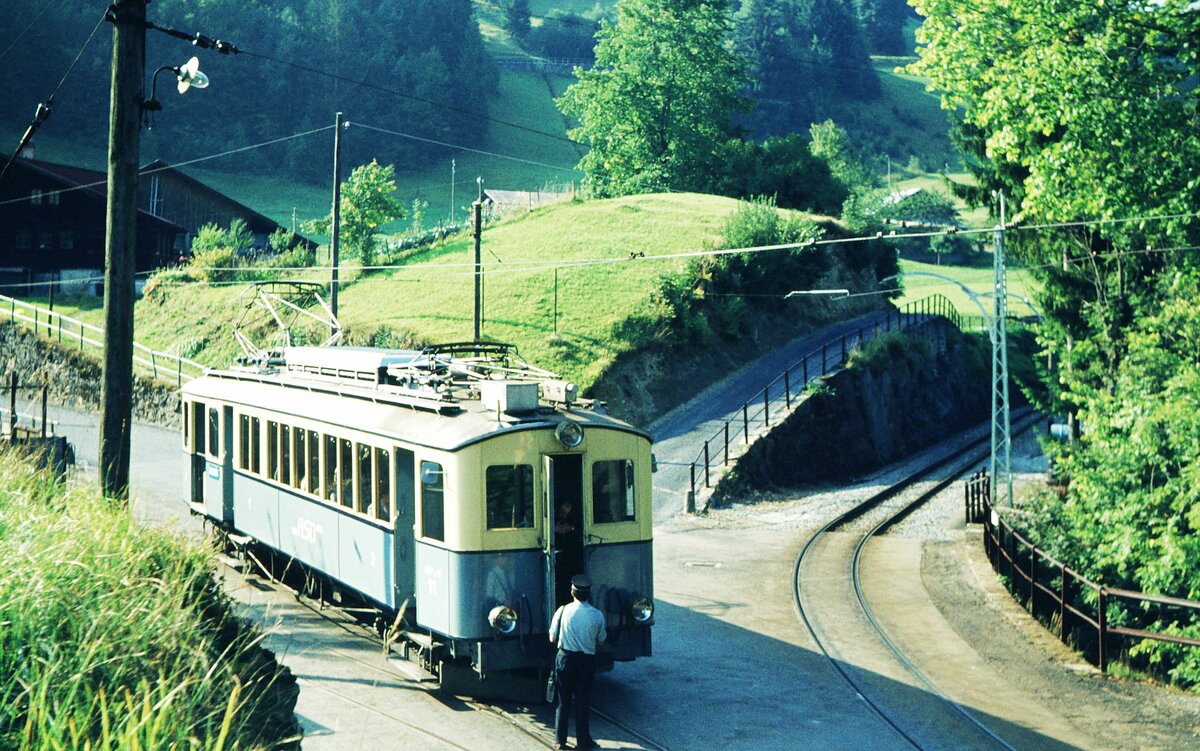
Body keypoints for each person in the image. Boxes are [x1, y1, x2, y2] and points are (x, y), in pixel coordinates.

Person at [548, 574, 606, 750]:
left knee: (562, 700)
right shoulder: (597, 615)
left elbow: (552, 638)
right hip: (586, 662)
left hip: (565, 659)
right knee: (582, 701)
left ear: (572, 592)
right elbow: (601, 641)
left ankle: (560, 741)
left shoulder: (562, 611)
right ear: (589, 594)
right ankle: (583, 741)